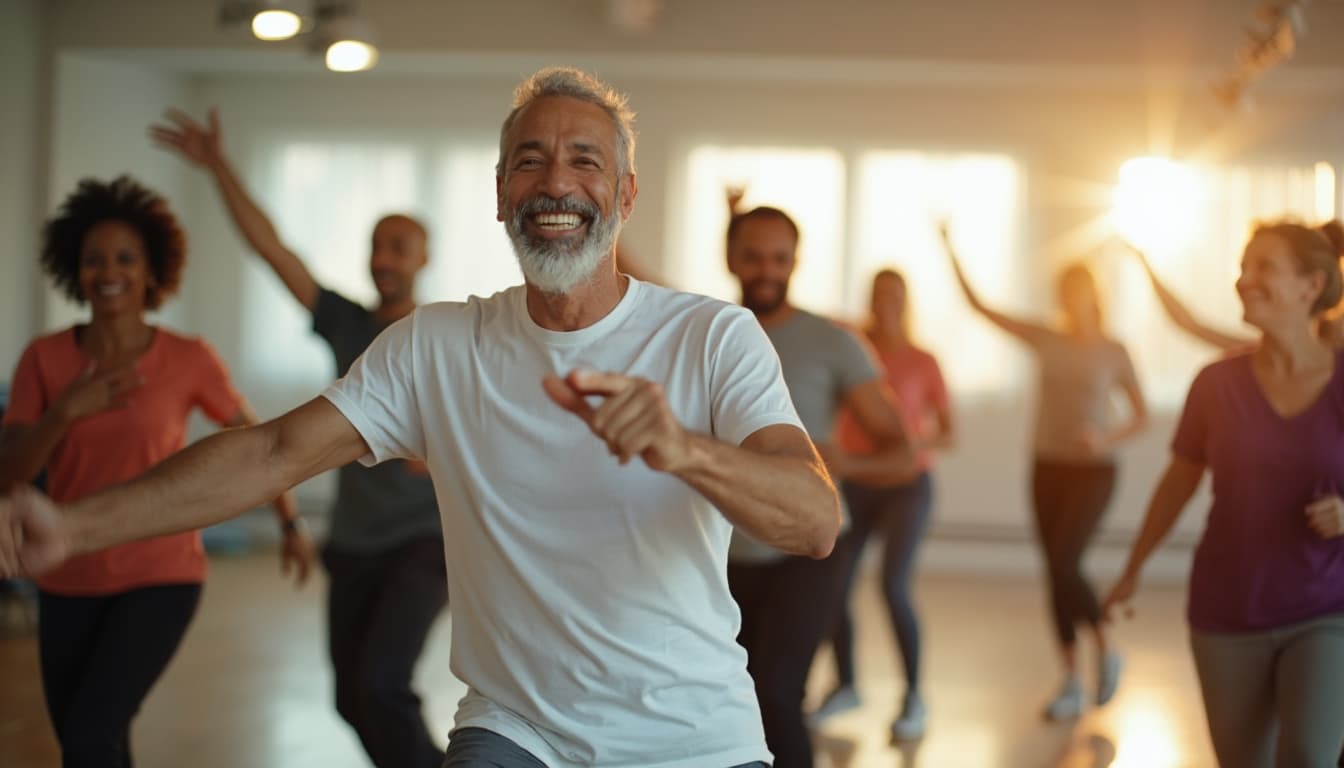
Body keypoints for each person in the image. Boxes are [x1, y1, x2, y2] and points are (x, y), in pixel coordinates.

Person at [1, 67, 840, 768]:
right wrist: (72, 528)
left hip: (693, 739)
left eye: (584, 161)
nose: (554, 181)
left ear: (623, 194)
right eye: (529, 161)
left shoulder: (709, 336)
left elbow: (814, 520)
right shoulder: (438, 343)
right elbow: (270, 454)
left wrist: (685, 449)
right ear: (500, 194)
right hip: (517, 733)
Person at [151, 109, 448, 768]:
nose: (384, 259)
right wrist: (218, 166)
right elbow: (273, 249)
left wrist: (445, 456)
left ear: (425, 257)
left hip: (425, 545)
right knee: (350, 697)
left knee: (380, 682)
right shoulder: (346, 322)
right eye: (377, 245)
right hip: (352, 541)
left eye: (399, 246)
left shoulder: (444, 333)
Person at [0, 175, 313, 767]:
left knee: (92, 734)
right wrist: (65, 412)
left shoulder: (189, 358)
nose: (108, 271)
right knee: (88, 740)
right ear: (75, 268)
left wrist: (292, 524)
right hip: (64, 573)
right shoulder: (45, 358)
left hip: (160, 574)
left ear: (151, 271)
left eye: (125, 257)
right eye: (94, 259)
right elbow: (10, 472)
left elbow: (259, 443)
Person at [1105, 220, 1344, 768]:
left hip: (1327, 605)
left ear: (1311, 285)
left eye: (1264, 267)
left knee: (1309, 754)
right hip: (1228, 608)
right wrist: (1133, 565)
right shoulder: (1216, 383)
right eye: (1243, 266)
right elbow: (1178, 483)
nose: (1243, 280)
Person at [724, 202, 915, 768]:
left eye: (779, 258)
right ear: (731, 257)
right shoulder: (705, 329)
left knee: (777, 695)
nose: (766, 269)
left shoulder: (834, 343)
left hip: (808, 553)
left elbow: (903, 452)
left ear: (795, 262)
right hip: (721, 553)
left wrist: (842, 465)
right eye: (753, 256)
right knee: (727, 702)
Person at [941, 224, 1148, 719]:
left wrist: (1105, 437)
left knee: (1065, 563)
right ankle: (1071, 680)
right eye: (1064, 293)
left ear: (1093, 296)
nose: (1071, 301)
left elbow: (1140, 415)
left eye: (1079, 292)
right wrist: (950, 243)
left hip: (1094, 471)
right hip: (1047, 467)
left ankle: (1105, 644)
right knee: (1054, 573)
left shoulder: (1114, 350)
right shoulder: (1044, 338)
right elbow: (980, 307)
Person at [810, 268, 955, 742]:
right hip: (854, 480)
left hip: (908, 483)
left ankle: (914, 696)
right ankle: (847, 685)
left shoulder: (924, 360)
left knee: (894, 585)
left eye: (895, 294)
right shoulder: (851, 345)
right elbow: (797, 316)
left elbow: (950, 431)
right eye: (878, 294)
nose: (886, 301)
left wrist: (918, 437)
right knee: (834, 584)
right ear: (869, 299)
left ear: (905, 300)